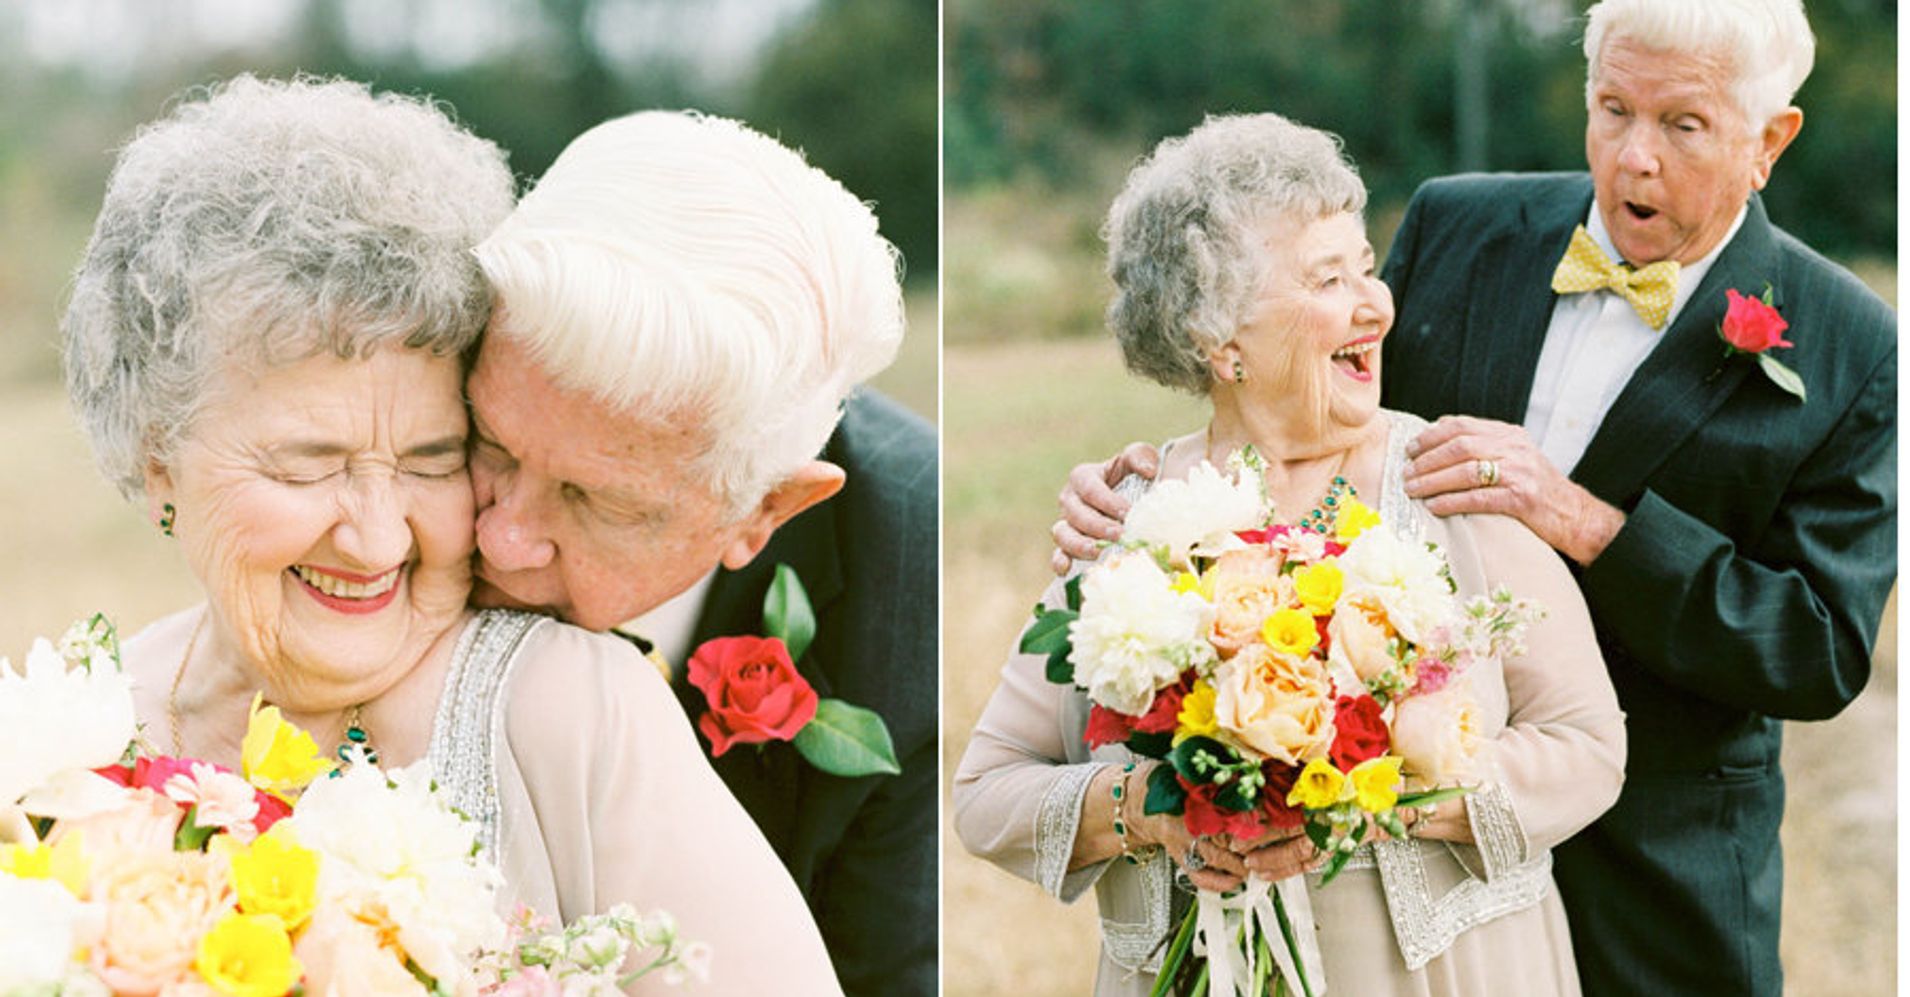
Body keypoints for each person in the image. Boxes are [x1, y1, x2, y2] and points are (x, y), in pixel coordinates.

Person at [1053, 2, 1896, 993]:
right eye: (1611, 108)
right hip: (1405, 877)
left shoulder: (1849, 343)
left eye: (1681, 126)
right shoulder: (1455, 225)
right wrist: (1159, 493)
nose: (1631, 157)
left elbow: (1815, 651)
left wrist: (1581, 521)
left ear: (1768, 142)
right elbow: (1309, 422)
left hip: (1656, 874)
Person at [61, 75, 842, 994]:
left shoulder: (572, 712)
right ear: (159, 456)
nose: (378, 537)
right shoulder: (66, 734)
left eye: (435, 457)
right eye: (309, 463)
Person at [955, 113, 1627, 996]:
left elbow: (1589, 747)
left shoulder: (1453, 483)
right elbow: (985, 790)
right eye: (1327, 278)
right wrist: (1149, 814)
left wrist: (1374, 799)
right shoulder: (1129, 522)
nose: (1375, 303)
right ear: (1219, 339)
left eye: (1367, 267)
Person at [465, 111, 938, 996]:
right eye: (489, 442)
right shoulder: (384, 452)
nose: (502, 537)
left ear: (764, 509)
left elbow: (884, 972)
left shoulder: (911, 576)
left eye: (596, 499)